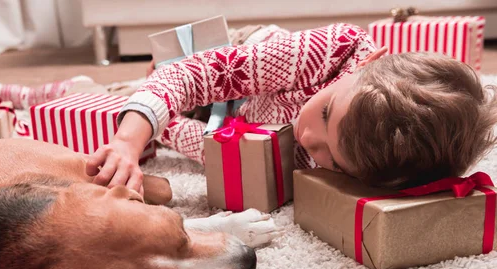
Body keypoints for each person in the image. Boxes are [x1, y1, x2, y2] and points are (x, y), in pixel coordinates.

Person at [85, 23, 497, 194]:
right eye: (325, 114)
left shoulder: (372, 160)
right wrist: (127, 141)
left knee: (121, 104)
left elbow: (213, 149)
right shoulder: (337, 48)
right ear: (367, 64)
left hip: (235, 119)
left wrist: (170, 129)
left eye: (331, 159)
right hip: (241, 59)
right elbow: (201, 74)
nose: (309, 139)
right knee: (151, 90)